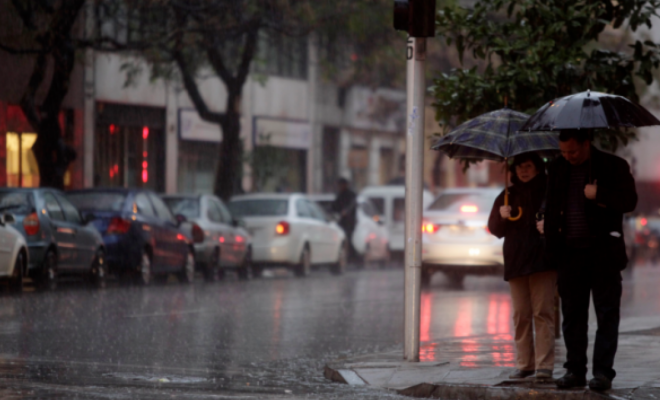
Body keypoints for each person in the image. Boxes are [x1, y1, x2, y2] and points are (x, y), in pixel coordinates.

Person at [537, 129, 637, 391]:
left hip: (603, 253)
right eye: (563, 151)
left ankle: (602, 373)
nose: (568, 156)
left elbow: (629, 201)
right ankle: (575, 370)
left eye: (573, 151)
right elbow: (551, 201)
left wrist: (600, 194)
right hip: (569, 254)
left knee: (606, 314)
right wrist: (545, 223)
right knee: (572, 316)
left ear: (586, 143)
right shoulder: (557, 167)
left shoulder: (613, 165)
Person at [488, 152, 557, 380]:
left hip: (543, 261)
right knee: (521, 315)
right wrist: (501, 216)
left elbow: (562, 219)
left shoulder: (549, 191)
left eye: (528, 166)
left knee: (543, 312)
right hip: (517, 262)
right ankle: (525, 364)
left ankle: (544, 366)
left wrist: (550, 224)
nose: (523, 171)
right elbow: (495, 230)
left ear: (537, 168)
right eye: (519, 168)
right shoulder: (507, 195)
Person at [332, 178, 357, 261]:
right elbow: (335, 206)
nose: (339, 187)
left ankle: (355, 258)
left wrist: (345, 211)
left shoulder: (351, 194)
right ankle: (349, 257)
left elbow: (351, 205)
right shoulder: (340, 194)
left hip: (349, 222)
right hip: (341, 222)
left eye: (341, 185)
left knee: (348, 239)